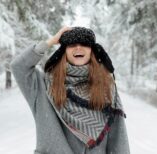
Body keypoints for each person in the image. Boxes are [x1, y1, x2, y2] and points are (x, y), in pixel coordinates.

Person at [11, 26, 130, 154]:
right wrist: (51, 41)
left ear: (92, 50)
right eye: (72, 44)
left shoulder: (106, 86)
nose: (78, 48)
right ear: (64, 51)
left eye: (84, 44)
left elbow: (118, 141)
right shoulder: (44, 85)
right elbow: (19, 67)